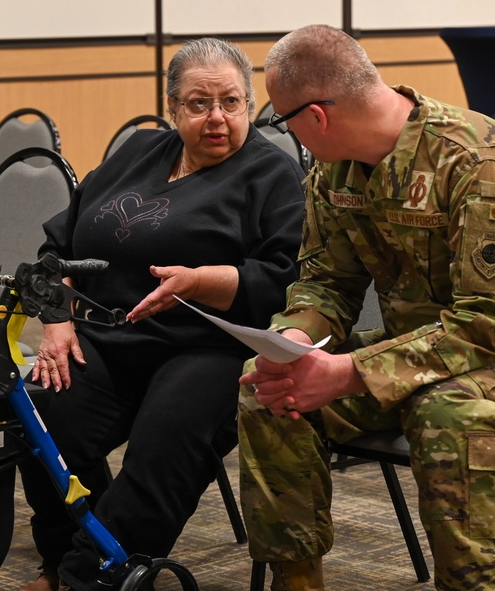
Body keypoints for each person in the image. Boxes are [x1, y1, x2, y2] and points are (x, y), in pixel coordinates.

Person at [237, 24, 495, 591]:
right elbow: (327, 284)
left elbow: (490, 323)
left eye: (282, 120)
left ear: (317, 117)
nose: (286, 134)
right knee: (267, 390)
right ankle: (298, 578)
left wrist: (348, 373)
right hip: (427, 351)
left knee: (451, 415)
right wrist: (292, 342)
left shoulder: (479, 165)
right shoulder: (333, 172)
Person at [18, 37, 306, 591]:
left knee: (165, 442)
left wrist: (201, 282)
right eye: (198, 104)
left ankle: (91, 578)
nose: (217, 118)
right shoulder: (139, 152)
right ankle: (66, 559)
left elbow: (286, 279)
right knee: (45, 421)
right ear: (173, 108)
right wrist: (55, 320)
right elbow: (59, 247)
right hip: (109, 332)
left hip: (210, 346)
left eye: (231, 102)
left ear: (249, 104)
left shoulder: (271, 175)